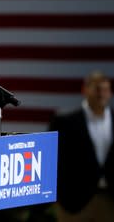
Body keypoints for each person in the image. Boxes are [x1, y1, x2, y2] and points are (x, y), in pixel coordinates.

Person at [49, 71, 114, 222]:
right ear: (85, 90)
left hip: (110, 201)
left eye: (105, 90)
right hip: (74, 203)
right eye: (96, 89)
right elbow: (52, 160)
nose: (101, 94)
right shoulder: (65, 121)